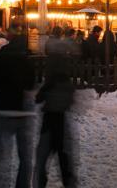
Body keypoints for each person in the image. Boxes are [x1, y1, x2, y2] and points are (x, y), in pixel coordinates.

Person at [0, 23, 36, 188]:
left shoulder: (2, 55)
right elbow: (31, 83)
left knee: (3, 156)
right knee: (26, 157)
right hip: (23, 111)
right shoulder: (27, 57)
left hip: (4, 109)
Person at [35, 31, 78, 187]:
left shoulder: (53, 63)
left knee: (44, 152)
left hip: (51, 111)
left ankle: (40, 181)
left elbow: (50, 82)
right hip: (59, 111)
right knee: (62, 151)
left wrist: (41, 94)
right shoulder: (64, 63)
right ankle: (68, 180)